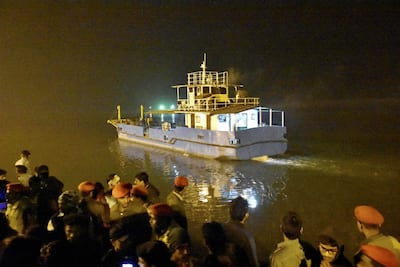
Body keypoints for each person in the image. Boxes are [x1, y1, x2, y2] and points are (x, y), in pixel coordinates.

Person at [223, 196, 259, 267]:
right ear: (246, 214)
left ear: (229, 211)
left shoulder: (219, 230)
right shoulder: (246, 237)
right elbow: (254, 263)